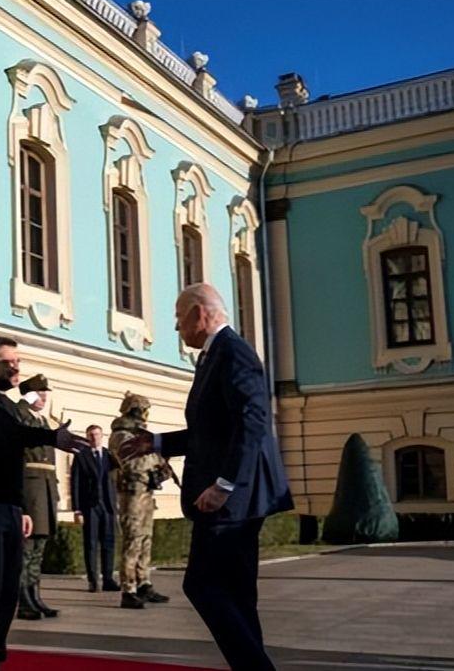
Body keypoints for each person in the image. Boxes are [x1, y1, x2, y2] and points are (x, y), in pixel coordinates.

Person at [119, 283, 294, 671]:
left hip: (232, 497)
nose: (178, 328)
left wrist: (224, 485)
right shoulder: (215, 355)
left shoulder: (232, 353)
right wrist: (157, 442)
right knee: (237, 593)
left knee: (201, 584)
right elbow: (210, 431)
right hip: (237, 493)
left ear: (200, 313)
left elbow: (252, 423)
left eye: (180, 318)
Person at [0, 336, 91, 671]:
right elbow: (1, 434)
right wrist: (48, 437)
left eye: (17, 362)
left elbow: (13, 456)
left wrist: (23, 508)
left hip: (8, 508)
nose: (15, 368)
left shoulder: (8, 406)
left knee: (7, 591)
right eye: (7, 362)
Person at [108, 392, 173, 609]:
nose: (146, 414)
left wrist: (162, 468)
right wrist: (151, 465)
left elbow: (155, 457)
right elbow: (131, 460)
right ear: (135, 409)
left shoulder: (142, 434)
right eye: (144, 409)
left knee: (146, 539)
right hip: (132, 494)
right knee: (133, 540)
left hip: (146, 492)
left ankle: (144, 582)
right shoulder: (121, 434)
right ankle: (129, 589)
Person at [14, 374, 59, 620]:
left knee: (38, 549)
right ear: (27, 394)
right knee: (27, 550)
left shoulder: (41, 421)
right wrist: (22, 506)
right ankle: (23, 600)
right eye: (39, 393)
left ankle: (35, 595)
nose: (43, 397)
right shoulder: (20, 418)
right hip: (30, 493)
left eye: (45, 393)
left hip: (45, 491)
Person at [71, 425, 118, 593]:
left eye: (97, 435)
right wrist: (77, 510)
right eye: (91, 435)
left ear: (102, 436)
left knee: (109, 543)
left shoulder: (109, 455)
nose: (94, 438)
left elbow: (118, 477)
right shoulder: (81, 456)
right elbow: (75, 484)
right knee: (90, 544)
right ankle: (93, 580)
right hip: (89, 507)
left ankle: (108, 579)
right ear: (87, 437)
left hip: (108, 506)